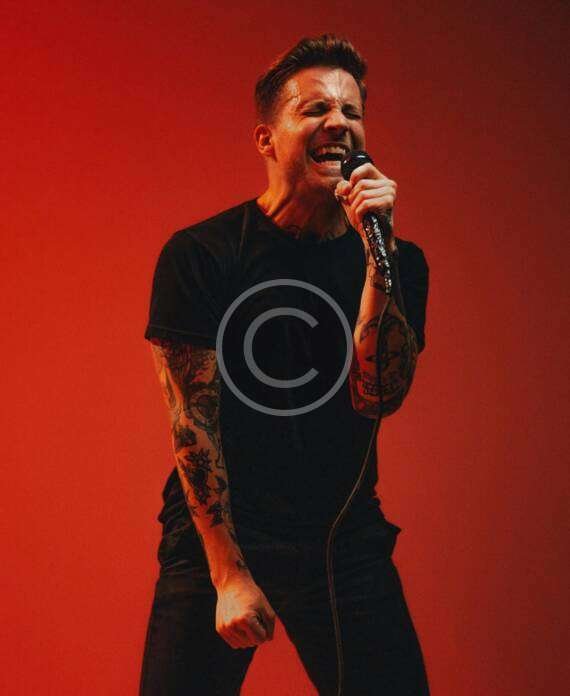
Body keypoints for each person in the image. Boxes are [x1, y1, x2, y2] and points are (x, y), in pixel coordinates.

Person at [140, 34, 430, 696]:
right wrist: (226, 575)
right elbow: (193, 426)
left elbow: (377, 395)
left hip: (342, 535)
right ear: (266, 140)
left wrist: (378, 258)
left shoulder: (396, 261)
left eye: (352, 112)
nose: (339, 123)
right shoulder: (203, 255)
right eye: (316, 109)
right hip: (222, 527)